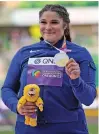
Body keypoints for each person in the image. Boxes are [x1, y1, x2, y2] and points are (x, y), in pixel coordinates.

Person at [1, 4, 96, 134]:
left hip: (69, 129)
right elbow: (7, 89)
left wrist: (76, 79)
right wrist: (17, 106)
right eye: (43, 22)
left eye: (54, 22)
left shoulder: (80, 54)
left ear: (65, 25)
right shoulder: (24, 53)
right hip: (29, 128)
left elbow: (88, 99)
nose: (48, 27)